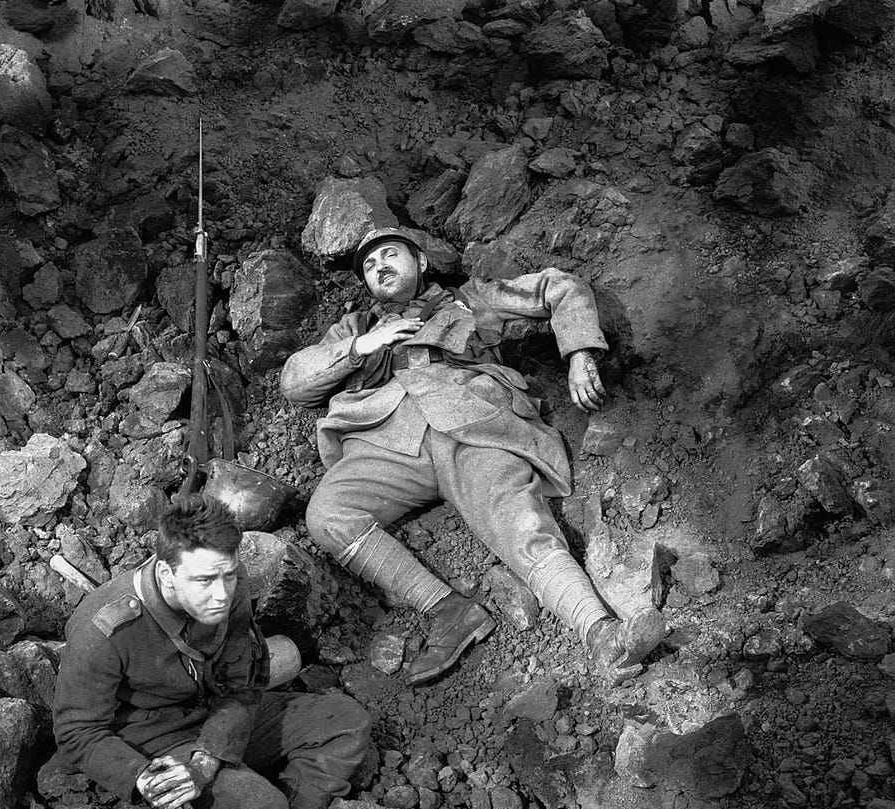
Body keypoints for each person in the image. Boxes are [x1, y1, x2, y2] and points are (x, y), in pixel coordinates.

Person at [281, 226, 666, 685]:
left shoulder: (471, 298)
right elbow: (295, 382)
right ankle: (448, 611)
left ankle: (601, 633)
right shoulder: (355, 329)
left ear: (421, 262)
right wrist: (361, 347)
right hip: (385, 444)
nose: (379, 265)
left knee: (518, 520)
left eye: (390, 254)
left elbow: (558, 286)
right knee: (326, 515)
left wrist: (581, 351)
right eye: (369, 264)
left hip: (475, 429)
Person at [51, 494, 371, 809]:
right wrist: (146, 778)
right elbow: (75, 731)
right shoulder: (106, 628)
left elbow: (245, 684)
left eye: (227, 575)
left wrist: (210, 756)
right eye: (203, 580)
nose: (220, 594)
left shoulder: (229, 586)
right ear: (166, 574)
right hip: (151, 738)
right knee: (259, 803)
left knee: (344, 721)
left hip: (215, 714)